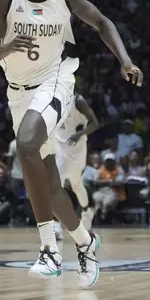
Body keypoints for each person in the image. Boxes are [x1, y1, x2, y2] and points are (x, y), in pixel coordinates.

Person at [0, 0, 143, 288]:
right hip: (18, 94)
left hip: (55, 83)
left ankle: (49, 249)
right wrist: (7, 47)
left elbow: (103, 23)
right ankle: (85, 241)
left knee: (25, 145)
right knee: (50, 186)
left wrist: (125, 61)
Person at [53, 93, 100, 239]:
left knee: (69, 186)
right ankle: (59, 225)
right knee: (65, 186)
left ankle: (84, 211)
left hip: (76, 148)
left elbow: (94, 123)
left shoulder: (78, 101)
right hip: (59, 146)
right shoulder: (52, 99)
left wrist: (79, 134)